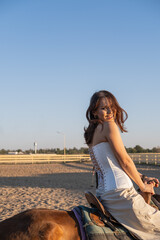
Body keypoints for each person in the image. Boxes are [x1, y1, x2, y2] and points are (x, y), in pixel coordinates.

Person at [84, 90, 160, 240]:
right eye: (104, 108)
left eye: (112, 107)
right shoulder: (109, 126)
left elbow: (115, 163)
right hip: (120, 194)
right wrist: (143, 187)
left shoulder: (91, 133)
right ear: (94, 111)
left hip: (104, 195)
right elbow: (125, 161)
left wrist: (142, 177)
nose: (110, 111)